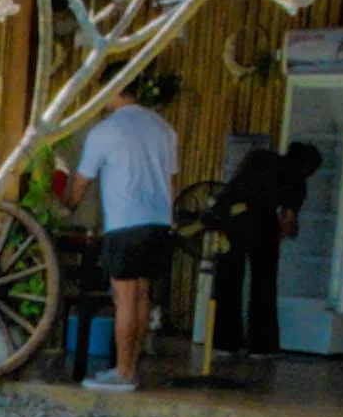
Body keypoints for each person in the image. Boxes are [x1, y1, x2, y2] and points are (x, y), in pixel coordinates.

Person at [64, 69, 181, 391]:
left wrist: (68, 206)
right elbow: (172, 182)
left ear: (113, 89)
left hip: (125, 222)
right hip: (158, 221)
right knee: (142, 295)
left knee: (125, 297)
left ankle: (123, 373)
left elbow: (82, 180)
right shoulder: (163, 128)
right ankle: (132, 368)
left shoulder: (106, 130)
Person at [208, 139, 319, 360]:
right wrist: (287, 232)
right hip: (262, 223)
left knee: (228, 281)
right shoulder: (296, 175)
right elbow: (288, 218)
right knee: (263, 283)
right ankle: (261, 345)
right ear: (307, 167)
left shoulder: (258, 157)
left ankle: (224, 342)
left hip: (228, 218)